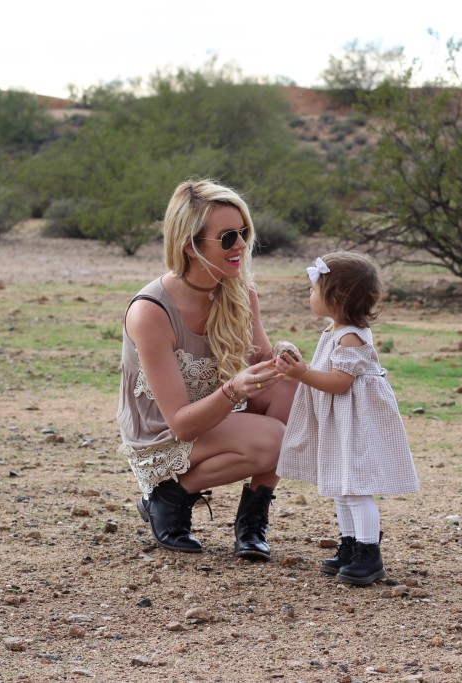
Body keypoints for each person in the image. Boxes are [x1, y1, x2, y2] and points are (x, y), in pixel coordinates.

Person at [116, 178, 296, 561]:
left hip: (213, 417)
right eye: (228, 238)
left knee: (291, 391)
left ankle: (251, 525)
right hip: (164, 434)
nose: (242, 246)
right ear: (190, 244)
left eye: (244, 233)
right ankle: (167, 497)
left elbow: (263, 366)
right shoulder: (151, 311)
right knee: (275, 440)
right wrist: (235, 389)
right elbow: (180, 423)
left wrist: (282, 359)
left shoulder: (240, 293)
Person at [275, 251, 419, 585]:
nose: (309, 296)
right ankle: (350, 545)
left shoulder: (351, 337)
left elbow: (340, 383)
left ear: (335, 298)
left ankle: (369, 554)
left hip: (356, 421)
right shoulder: (335, 330)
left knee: (355, 487)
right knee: (341, 487)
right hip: (341, 421)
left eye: (314, 290)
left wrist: (302, 374)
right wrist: (299, 366)